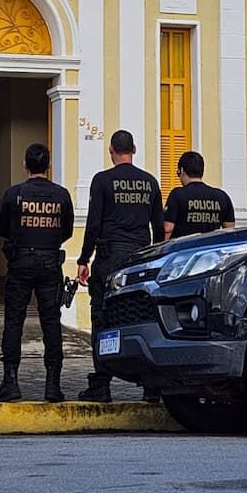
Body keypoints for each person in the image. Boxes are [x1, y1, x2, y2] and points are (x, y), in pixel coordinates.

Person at [76, 129, 163, 404]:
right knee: (143, 317)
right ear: (133, 149)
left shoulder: (102, 181)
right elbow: (159, 229)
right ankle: (151, 386)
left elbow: (94, 224)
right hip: (141, 258)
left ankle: (101, 385)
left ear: (111, 150)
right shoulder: (150, 182)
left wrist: (83, 259)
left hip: (109, 258)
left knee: (103, 320)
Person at [0, 143, 75, 403]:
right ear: (48, 166)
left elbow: (4, 228)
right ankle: (53, 386)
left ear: (26, 165)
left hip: (20, 262)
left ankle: (11, 382)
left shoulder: (13, 193)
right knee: (51, 322)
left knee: (13, 321)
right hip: (50, 262)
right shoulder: (61, 195)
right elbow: (67, 231)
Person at [163, 151, 236, 240]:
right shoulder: (222, 196)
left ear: (182, 170)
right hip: (210, 250)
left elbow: (168, 229)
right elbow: (230, 231)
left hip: (184, 250)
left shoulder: (177, 194)